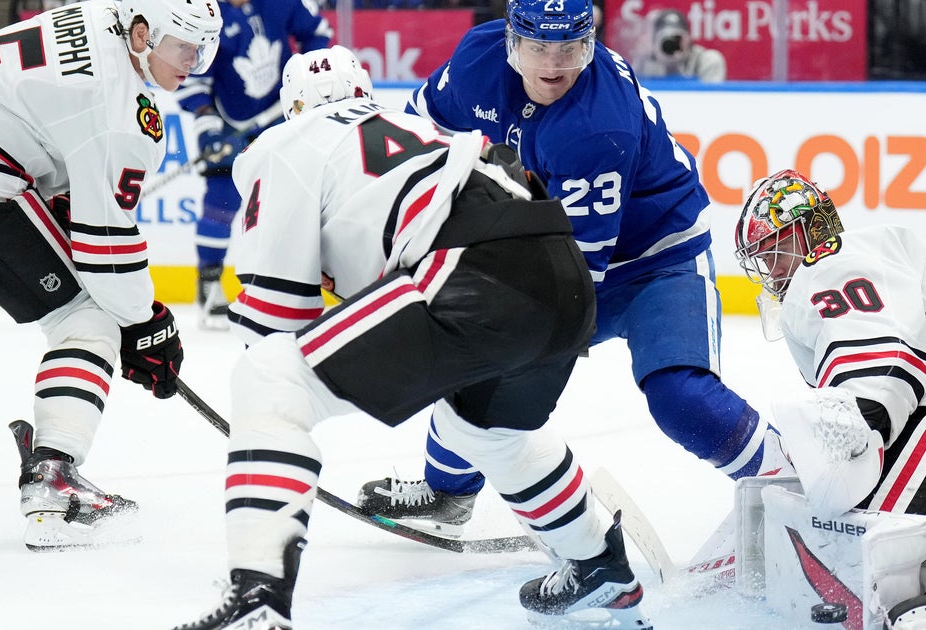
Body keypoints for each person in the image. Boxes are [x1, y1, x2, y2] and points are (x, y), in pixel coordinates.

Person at [171, 46, 650, 629]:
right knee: (486, 433)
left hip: (476, 271)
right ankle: (600, 567)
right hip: (561, 274)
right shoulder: (414, 126)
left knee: (268, 381)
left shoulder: (283, 144)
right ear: (363, 93)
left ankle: (258, 599)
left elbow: (274, 321)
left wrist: (271, 440)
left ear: (292, 105)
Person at [355, 0, 788, 537]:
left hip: (659, 260)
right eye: (538, 46)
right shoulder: (476, 61)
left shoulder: (596, 129)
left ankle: (796, 486)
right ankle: (448, 494)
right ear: (511, 40)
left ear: (592, 42)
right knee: (479, 350)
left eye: (570, 49)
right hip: (560, 239)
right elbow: (419, 140)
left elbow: (574, 276)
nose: (552, 65)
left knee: (680, 396)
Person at [0, 0, 216, 549]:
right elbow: (105, 251)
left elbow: (41, 117)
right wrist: (144, 324)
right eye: (184, 46)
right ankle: (54, 479)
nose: (194, 61)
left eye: (204, 48)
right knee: (88, 317)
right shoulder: (122, 114)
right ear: (141, 33)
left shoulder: (99, 12)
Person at [733, 169, 926, 626]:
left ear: (806, 231)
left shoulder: (829, 262)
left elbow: (886, 367)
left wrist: (842, 455)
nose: (772, 272)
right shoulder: (885, 249)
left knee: (849, 537)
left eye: (773, 253)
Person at [176, 0, 331, 330]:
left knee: (292, 198)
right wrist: (207, 120)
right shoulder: (206, 12)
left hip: (282, 113)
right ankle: (209, 282)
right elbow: (191, 73)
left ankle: (286, 285)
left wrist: (305, 78)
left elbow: (316, 33)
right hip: (228, 119)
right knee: (222, 198)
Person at [633, 9, 726, 82]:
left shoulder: (705, 61)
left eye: (677, 38)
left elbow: (711, 99)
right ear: (654, 41)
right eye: (665, 39)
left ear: (688, 38)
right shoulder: (647, 62)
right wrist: (641, 60)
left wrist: (675, 68)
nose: (671, 44)